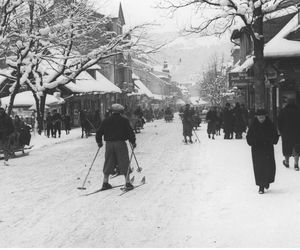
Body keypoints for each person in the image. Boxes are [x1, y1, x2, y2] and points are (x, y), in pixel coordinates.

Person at [96, 103, 136, 191]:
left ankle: (105, 182)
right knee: (124, 161)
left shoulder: (106, 120)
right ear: (121, 112)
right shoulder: (124, 121)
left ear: (112, 111)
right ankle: (128, 182)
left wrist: (99, 142)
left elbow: (98, 132)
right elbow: (130, 132)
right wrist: (133, 142)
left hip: (109, 144)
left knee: (109, 161)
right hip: (120, 143)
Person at [246, 109, 279, 194]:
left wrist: (271, 140)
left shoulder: (270, 124)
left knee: (268, 166)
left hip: (267, 149)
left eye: (262, 117)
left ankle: (267, 181)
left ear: (265, 116)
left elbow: (275, 135)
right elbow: (249, 137)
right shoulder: (253, 125)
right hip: (257, 150)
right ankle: (261, 186)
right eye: (259, 117)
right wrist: (253, 142)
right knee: (259, 167)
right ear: (256, 117)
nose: (261, 119)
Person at [278, 98, 300, 171]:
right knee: (296, 147)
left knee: (286, 146)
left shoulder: (283, 111)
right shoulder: (298, 111)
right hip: (297, 132)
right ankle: (296, 164)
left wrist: (280, 131)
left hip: (286, 132)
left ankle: (287, 162)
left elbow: (279, 122)